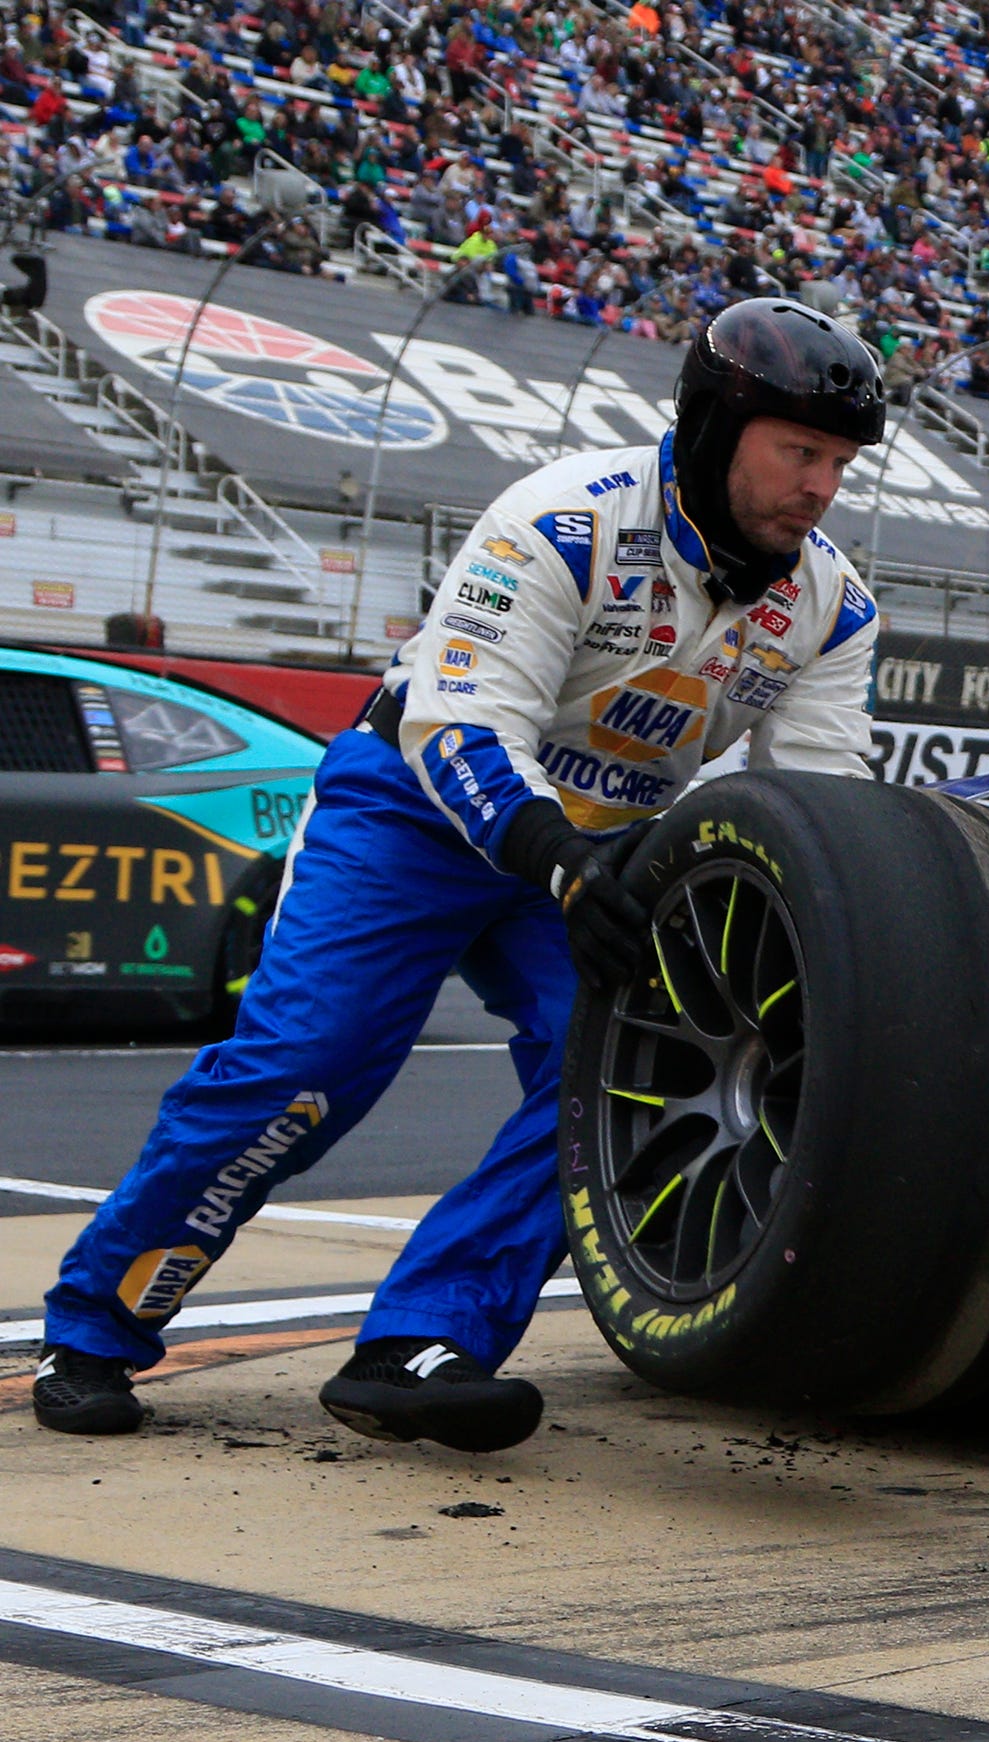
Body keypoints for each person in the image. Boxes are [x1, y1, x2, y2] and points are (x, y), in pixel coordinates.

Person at [28, 299, 888, 1447]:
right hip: (416, 812)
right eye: (800, 451)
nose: (822, 486)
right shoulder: (561, 522)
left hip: (606, 847)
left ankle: (420, 1342)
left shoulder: (831, 607)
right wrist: (562, 865)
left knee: (617, 1084)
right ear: (714, 424)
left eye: (838, 462)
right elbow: (461, 730)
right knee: (309, 1063)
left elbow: (816, 800)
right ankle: (91, 1330)